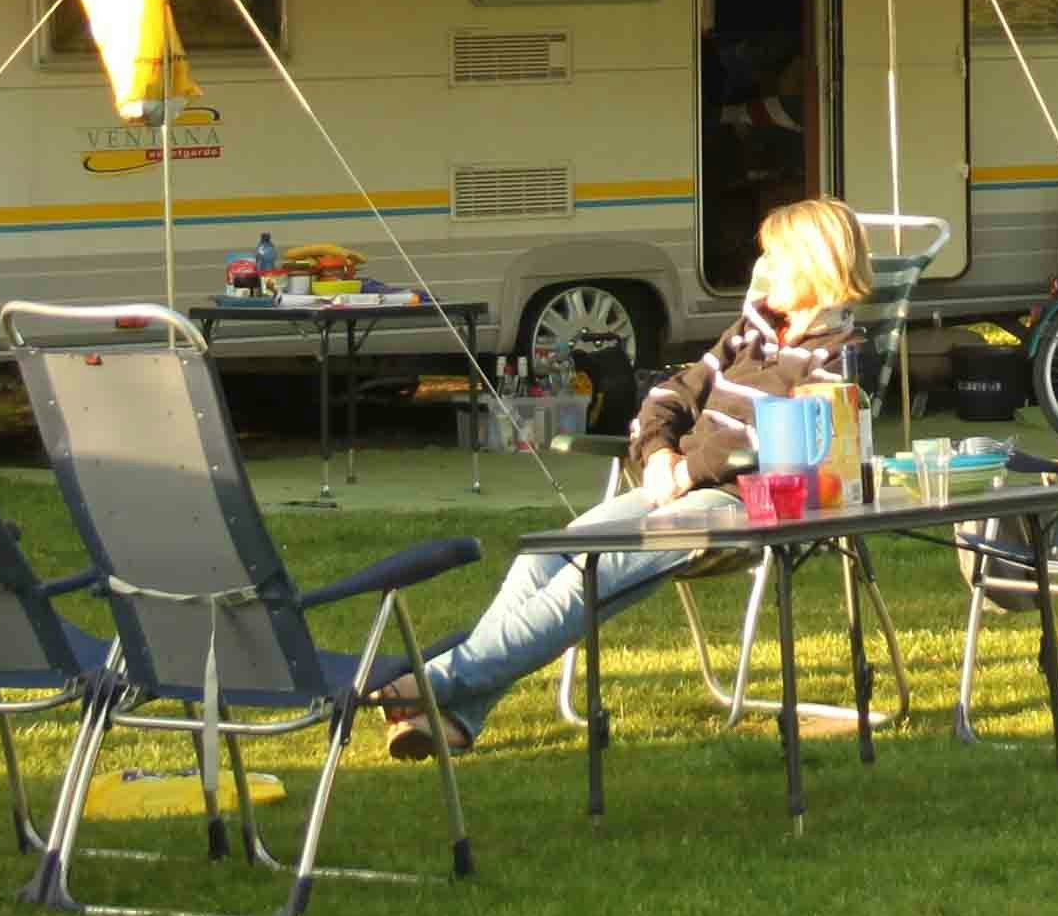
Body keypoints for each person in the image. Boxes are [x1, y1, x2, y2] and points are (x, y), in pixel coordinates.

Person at [364, 197, 872, 758]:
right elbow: (673, 393)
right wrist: (657, 455)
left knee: (591, 568)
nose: (762, 271)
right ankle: (457, 716)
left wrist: (689, 471)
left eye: (776, 259)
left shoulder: (835, 359)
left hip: (744, 502)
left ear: (815, 265)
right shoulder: (748, 334)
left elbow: (785, 445)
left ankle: (432, 683)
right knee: (546, 556)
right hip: (676, 485)